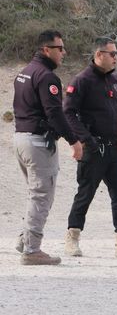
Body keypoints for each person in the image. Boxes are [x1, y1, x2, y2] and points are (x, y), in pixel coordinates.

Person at [62, 37, 117, 258]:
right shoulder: (82, 80)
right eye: (112, 54)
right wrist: (86, 140)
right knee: (85, 193)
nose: (116, 57)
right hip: (93, 147)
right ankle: (72, 237)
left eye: (116, 53)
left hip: (114, 147)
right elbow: (68, 112)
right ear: (99, 55)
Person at [12, 30, 83, 265]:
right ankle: (32, 250)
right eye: (59, 48)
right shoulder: (46, 76)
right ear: (46, 50)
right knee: (42, 195)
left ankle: (25, 240)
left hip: (21, 139)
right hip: (37, 142)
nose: (64, 52)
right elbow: (54, 113)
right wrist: (73, 140)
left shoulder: (25, 72)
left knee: (36, 193)